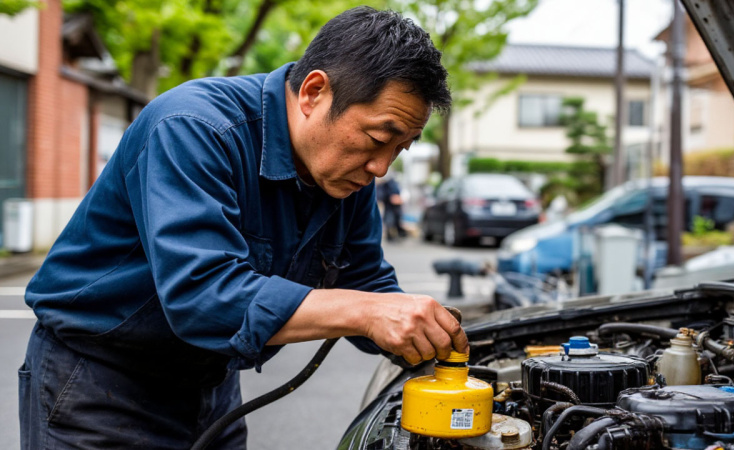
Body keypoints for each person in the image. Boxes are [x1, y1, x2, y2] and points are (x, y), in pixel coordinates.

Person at [19, 7, 465, 449]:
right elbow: (201, 295)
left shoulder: (346, 175)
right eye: (377, 139)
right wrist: (368, 313)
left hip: (212, 391)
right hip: (99, 388)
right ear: (313, 93)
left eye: (400, 149)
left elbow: (363, 279)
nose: (381, 167)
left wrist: (432, 333)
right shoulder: (194, 128)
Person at [378, 174, 407, 241]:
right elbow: (381, 196)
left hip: (395, 206)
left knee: (395, 220)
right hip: (389, 206)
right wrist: (390, 198)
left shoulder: (393, 184)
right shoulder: (385, 185)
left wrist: (398, 199)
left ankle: (395, 235)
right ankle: (391, 235)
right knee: (390, 221)